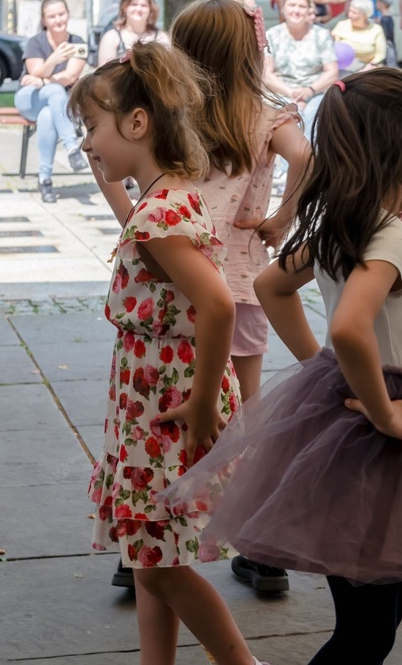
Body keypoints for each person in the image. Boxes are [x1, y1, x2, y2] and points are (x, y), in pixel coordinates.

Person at [159, 69, 402, 664]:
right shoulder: (388, 235)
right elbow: (348, 327)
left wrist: (320, 365)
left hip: (349, 413)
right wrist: (380, 409)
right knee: (368, 628)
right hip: (381, 424)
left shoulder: (341, 224)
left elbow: (271, 286)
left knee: (378, 610)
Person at [72, 42, 264, 665]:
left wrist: (203, 402)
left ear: (137, 123)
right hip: (152, 399)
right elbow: (140, 229)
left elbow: (219, 305)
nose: (88, 142)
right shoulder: (168, 198)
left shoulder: (160, 215)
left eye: (92, 127)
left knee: (159, 566)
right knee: (151, 554)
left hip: (168, 406)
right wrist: (105, 175)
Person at [170, 0, 312, 597]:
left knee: (169, 404)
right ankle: (260, 550)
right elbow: (311, 161)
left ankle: (149, 539)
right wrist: (282, 217)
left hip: (175, 279)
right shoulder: (267, 116)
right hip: (241, 280)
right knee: (245, 413)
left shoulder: (170, 111)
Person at [15, 0, 88, 203]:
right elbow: (33, 74)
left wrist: (44, 80)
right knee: (55, 90)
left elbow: (71, 76)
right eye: (52, 16)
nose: (58, 20)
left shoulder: (78, 43)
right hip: (30, 98)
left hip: (56, 105)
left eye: (61, 14)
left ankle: (44, 179)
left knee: (47, 115)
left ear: (68, 14)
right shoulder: (35, 42)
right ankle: (72, 147)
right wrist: (54, 60)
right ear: (44, 20)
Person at [264, 0, 339, 138]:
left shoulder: (321, 35)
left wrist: (309, 91)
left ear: (309, 10)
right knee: (288, 123)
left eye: (302, 6)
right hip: (282, 94)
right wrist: (291, 93)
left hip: (315, 93)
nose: (296, 10)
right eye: (292, 5)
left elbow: (332, 72)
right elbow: (266, 74)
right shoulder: (272, 35)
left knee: (314, 121)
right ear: (283, 8)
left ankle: (310, 153)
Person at [97, 0, 168, 67]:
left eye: (143, 5)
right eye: (134, 4)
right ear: (124, 7)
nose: (139, 9)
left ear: (151, 9)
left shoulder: (161, 37)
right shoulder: (111, 37)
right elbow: (104, 72)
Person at [331, 0, 386, 72]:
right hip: (342, 69)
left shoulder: (376, 29)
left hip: (367, 69)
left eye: (354, 13)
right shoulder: (342, 25)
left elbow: (380, 54)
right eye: (350, 11)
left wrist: (370, 66)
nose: (350, 15)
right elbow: (333, 47)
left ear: (365, 16)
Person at [377, 0, 399, 67]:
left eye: (378, 1)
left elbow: (386, 36)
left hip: (387, 52)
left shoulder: (385, 20)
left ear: (384, 3)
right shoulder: (388, 18)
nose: (376, 3)